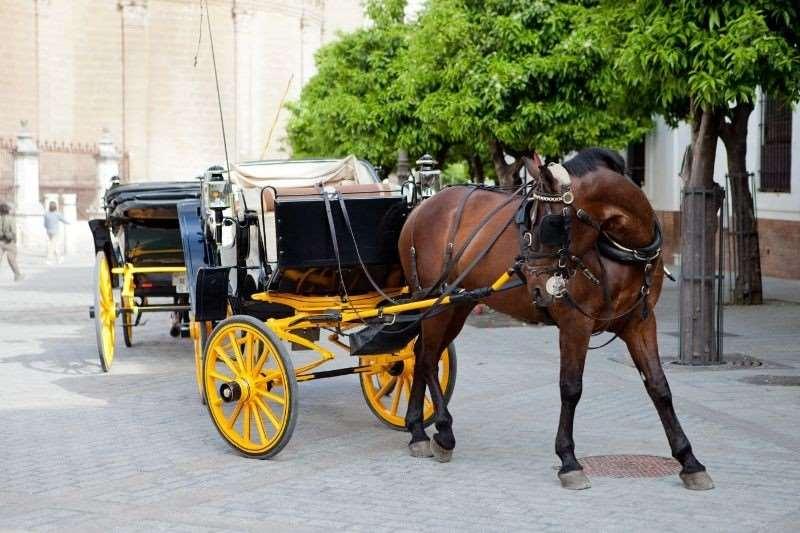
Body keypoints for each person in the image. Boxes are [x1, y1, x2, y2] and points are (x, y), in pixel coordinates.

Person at [0, 202, 22, 281]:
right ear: (8, 210)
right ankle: (17, 275)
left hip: (0, 241)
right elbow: (14, 232)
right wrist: (15, 240)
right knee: (11, 259)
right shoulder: (11, 219)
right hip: (9, 241)